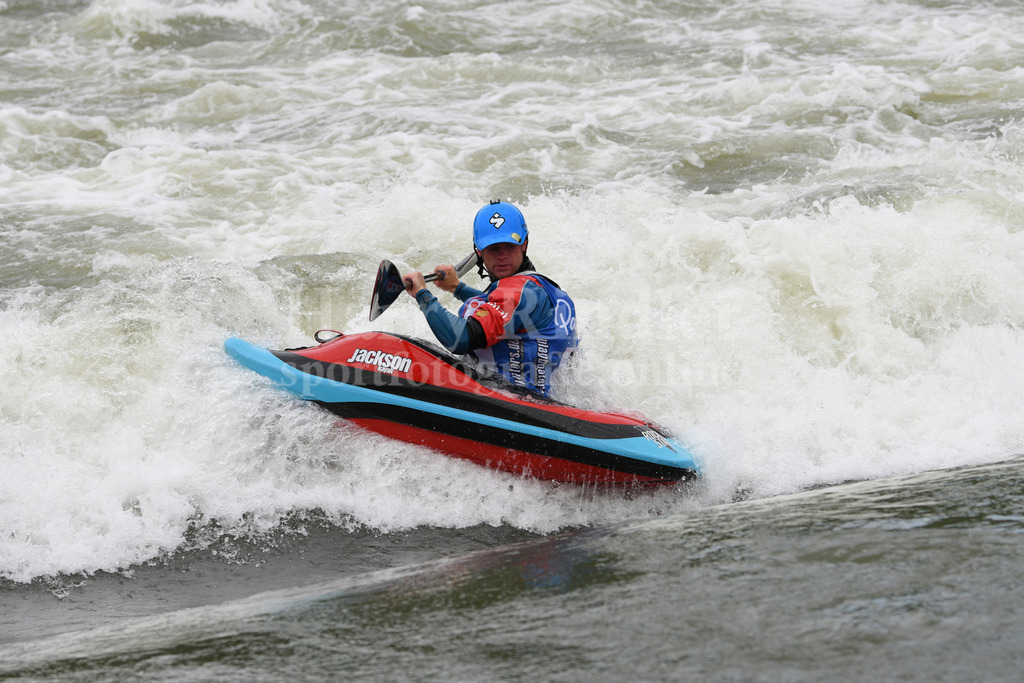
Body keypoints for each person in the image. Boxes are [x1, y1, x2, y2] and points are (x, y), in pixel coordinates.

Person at [403, 200, 578, 397]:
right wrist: (457, 288)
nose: (502, 256)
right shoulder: (535, 287)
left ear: (524, 244)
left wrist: (422, 295)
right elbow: (503, 310)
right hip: (543, 399)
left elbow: (460, 339)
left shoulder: (518, 292)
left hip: (514, 403)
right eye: (493, 248)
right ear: (479, 251)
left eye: (509, 246)